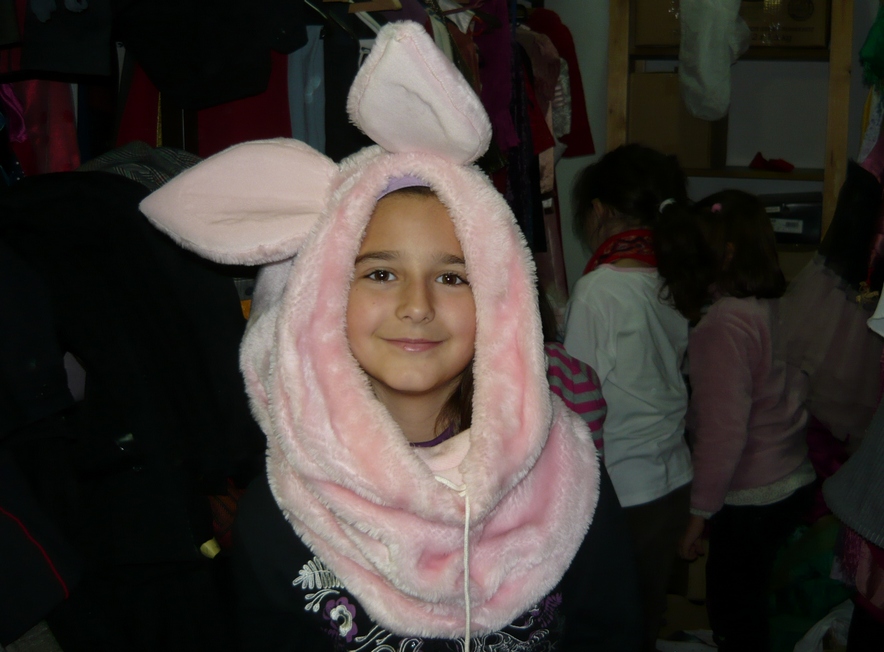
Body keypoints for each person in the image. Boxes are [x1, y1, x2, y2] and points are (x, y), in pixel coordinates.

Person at [140, 21, 640, 651]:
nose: (416, 306)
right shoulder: (287, 508)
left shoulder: (567, 476)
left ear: (501, 299)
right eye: (380, 273)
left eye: (452, 277)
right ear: (323, 295)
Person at [655, 189, 816, 652]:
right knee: (760, 609)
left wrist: (698, 515)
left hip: (752, 495)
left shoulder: (722, 326)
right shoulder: (770, 305)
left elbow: (722, 433)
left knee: (735, 611)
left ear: (724, 254)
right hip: (792, 477)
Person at [562, 143, 693, 651]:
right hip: (671, 478)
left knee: (606, 625)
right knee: (644, 615)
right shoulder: (670, 275)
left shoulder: (601, 290)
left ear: (598, 211)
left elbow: (576, 399)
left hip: (623, 487)